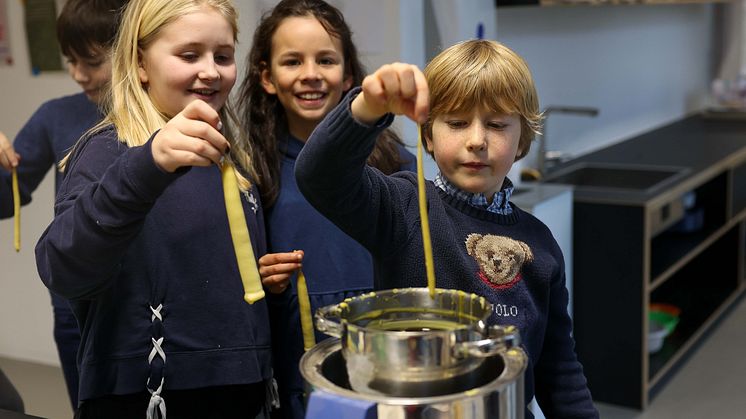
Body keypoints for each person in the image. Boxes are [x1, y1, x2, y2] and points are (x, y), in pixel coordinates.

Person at [295, 40, 600, 418]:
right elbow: (319, 175)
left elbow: (560, 370)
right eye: (456, 123)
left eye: (496, 124)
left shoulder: (540, 243)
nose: (476, 140)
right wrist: (366, 109)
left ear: (521, 139)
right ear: (427, 135)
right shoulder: (403, 207)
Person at [35, 0, 272, 417]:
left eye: (223, 56)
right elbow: (60, 266)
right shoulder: (108, 150)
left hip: (238, 388)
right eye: (189, 55)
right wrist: (149, 166)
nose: (211, 71)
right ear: (141, 63)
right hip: (144, 395)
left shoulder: (233, 159)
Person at [235, 1, 415, 417]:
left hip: (385, 368)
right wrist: (260, 277)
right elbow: (236, 277)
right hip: (300, 378)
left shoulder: (394, 164)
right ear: (266, 77)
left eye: (326, 60)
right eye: (292, 61)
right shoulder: (251, 173)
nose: (311, 74)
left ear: (348, 75)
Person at [0, 0, 127, 410]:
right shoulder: (54, 117)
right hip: (76, 311)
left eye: (90, 61)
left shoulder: (170, 115)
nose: (77, 75)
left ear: (131, 49)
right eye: (70, 61)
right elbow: (6, 198)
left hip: (147, 307)